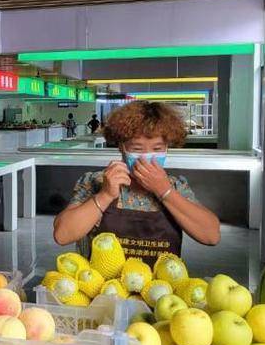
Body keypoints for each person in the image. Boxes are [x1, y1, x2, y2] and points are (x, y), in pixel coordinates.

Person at [53, 101, 220, 264]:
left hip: (159, 282)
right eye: (137, 149)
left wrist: (165, 191)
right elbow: (62, 235)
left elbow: (211, 236)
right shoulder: (95, 181)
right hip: (101, 283)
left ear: (167, 147)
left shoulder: (176, 186)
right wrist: (105, 195)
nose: (146, 157)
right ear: (121, 147)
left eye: (157, 149)